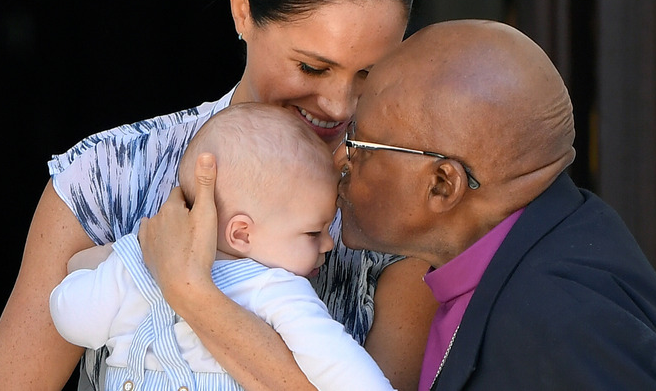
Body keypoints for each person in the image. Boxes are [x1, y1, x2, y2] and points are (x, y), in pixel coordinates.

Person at [141, 19, 656, 390]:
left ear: (442, 185)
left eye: (359, 144)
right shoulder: (532, 251)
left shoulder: (559, 321)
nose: (338, 161)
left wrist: (192, 294)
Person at [0, 0, 437, 390]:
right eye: (312, 67)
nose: (339, 106)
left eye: (369, 73)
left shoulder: (403, 208)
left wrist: (189, 290)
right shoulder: (109, 176)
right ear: (242, 12)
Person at [49, 103, 396, 391]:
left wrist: (120, 257)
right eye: (312, 233)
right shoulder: (274, 289)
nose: (329, 243)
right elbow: (350, 376)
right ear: (241, 234)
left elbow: (72, 319)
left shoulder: (138, 265)